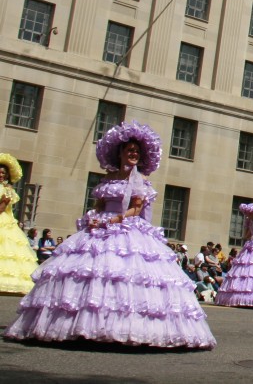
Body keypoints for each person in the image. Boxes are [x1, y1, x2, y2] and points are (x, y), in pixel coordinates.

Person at [4, 121, 216, 349]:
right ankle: (81, 325)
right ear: (121, 153)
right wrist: (95, 217)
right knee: (89, 274)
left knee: (125, 277)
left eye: (137, 151)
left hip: (127, 227)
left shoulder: (140, 180)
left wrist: (118, 219)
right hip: (103, 226)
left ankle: (125, 327)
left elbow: (136, 207)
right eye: (130, 150)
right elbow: (100, 202)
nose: (133, 154)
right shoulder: (110, 177)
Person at [0, 153, 36, 294]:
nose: (1, 174)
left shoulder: (8, 190)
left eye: (3, 172)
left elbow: (2, 207)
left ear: (8, 175)